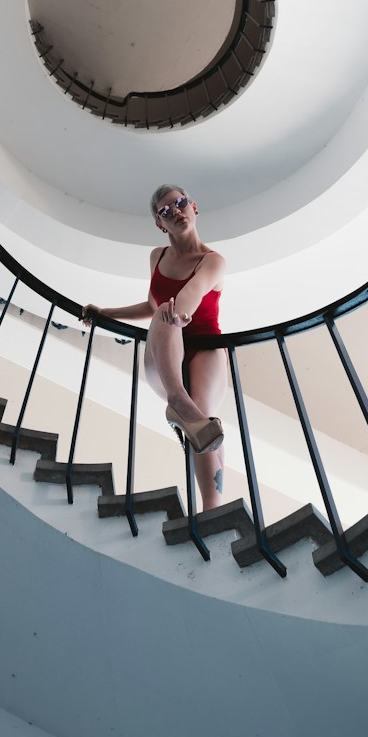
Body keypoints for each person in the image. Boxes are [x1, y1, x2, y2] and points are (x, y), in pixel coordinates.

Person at [82, 185, 226, 512]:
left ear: (194, 206)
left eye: (180, 203)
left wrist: (176, 312)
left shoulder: (213, 261)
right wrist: (105, 314)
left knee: (202, 418)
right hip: (165, 354)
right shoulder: (157, 257)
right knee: (164, 310)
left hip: (204, 344)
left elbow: (190, 295)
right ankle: (177, 401)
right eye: (165, 210)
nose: (175, 211)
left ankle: (212, 509)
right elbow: (152, 305)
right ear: (160, 224)